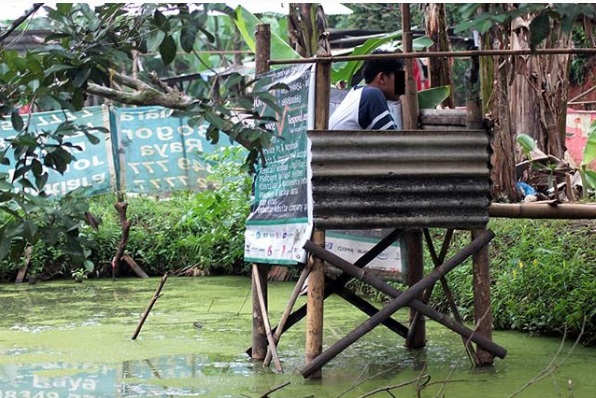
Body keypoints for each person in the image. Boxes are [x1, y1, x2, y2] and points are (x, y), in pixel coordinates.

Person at [329, 53, 404, 131]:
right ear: (381, 78)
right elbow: (391, 140)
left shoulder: (357, 93)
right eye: (400, 78)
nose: (403, 84)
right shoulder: (372, 95)